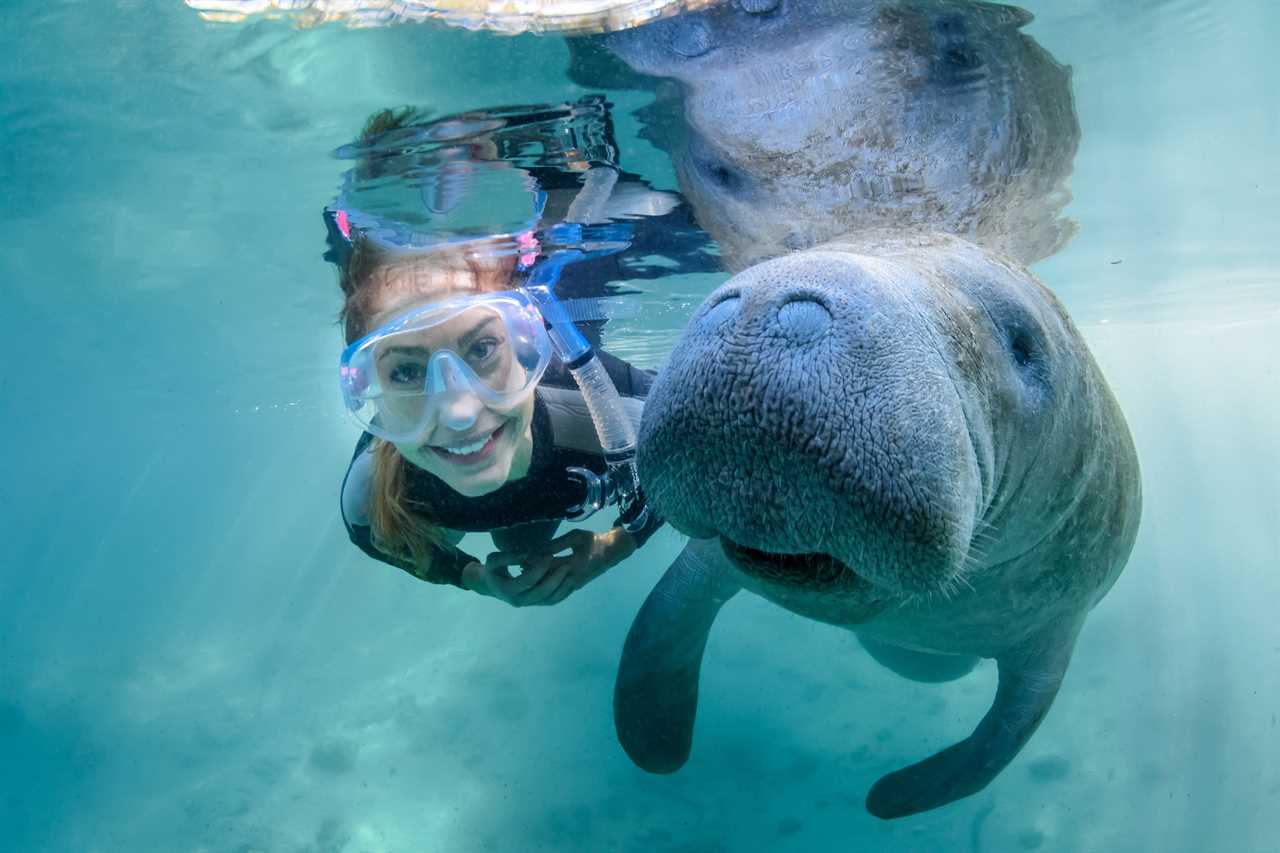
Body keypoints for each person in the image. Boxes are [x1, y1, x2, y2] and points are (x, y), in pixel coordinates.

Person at [330, 108, 665, 607]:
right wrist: (471, 576)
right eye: (405, 370)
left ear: (530, 340)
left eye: (483, 348)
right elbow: (376, 539)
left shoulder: (609, 412)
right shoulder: (375, 490)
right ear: (368, 384)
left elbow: (686, 457)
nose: (460, 413)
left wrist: (614, 547)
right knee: (522, 540)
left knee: (524, 541)